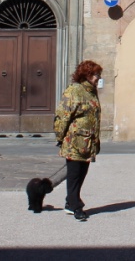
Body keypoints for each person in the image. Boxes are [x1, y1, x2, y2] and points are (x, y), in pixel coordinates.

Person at [54, 59, 102, 221]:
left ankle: (70, 202)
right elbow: (63, 115)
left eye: (99, 74)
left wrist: (96, 140)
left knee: (82, 173)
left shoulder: (91, 91)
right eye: (95, 74)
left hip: (88, 141)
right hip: (74, 140)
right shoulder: (74, 90)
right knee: (74, 174)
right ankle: (76, 206)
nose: (98, 77)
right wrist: (60, 136)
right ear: (86, 74)